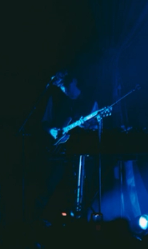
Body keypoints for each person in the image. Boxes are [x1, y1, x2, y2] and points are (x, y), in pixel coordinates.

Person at [35, 71, 100, 220]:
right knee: (49, 185)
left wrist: (88, 126)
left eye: (67, 86)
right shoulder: (55, 98)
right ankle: (44, 219)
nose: (65, 91)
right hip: (57, 152)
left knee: (81, 188)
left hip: (81, 153)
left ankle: (79, 219)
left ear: (75, 81)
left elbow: (96, 127)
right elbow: (45, 122)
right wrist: (51, 131)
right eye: (61, 88)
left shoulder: (90, 102)